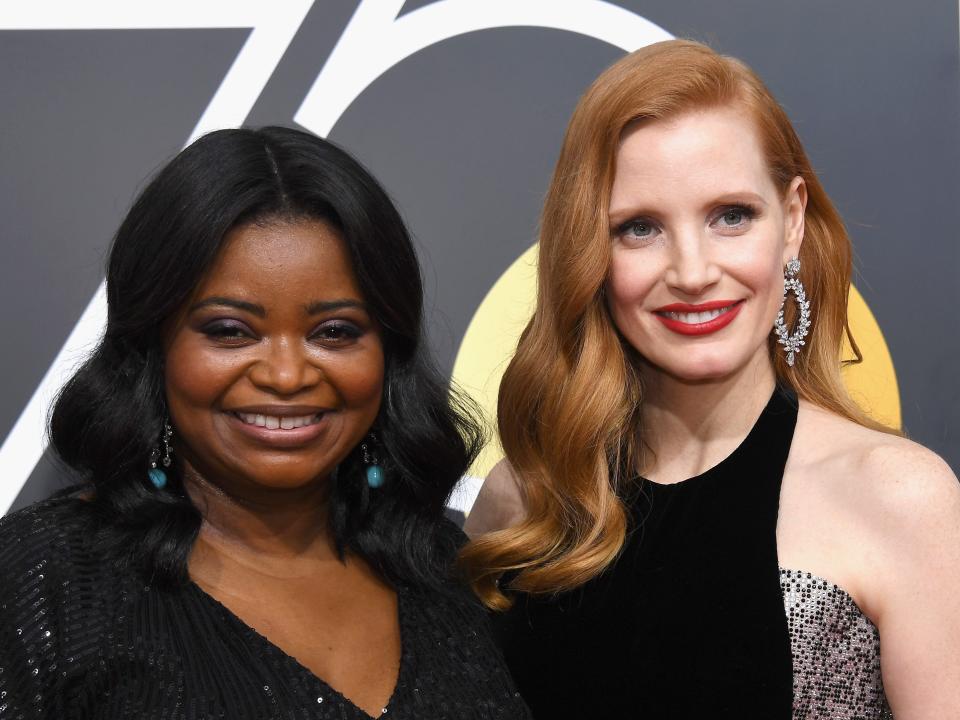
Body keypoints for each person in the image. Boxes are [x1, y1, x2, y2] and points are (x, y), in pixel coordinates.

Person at [461, 40, 960, 719]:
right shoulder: (527, 501)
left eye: (731, 216)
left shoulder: (901, 499)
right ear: (588, 249)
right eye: (640, 228)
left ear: (791, 220)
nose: (692, 271)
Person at [0, 126, 530, 719]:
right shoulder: (42, 582)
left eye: (334, 332)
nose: (285, 375)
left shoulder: (442, 570)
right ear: (153, 347)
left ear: (389, 351)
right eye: (230, 331)